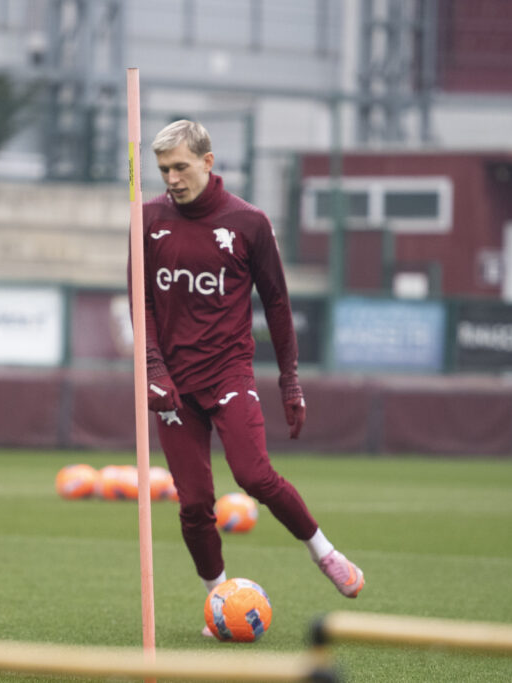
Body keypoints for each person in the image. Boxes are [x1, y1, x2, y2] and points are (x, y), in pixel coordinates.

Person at [133, 120, 364, 633]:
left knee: (253, 475)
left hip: (229, 372)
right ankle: (220, 601)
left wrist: (290, 381)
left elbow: (278, 305)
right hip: (172, 385)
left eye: (181, 167)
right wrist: (151, 366)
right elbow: (141, 301)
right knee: (193, 504)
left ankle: (323, 552)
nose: (171, 178)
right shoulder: (146, 220)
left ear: (208, 162)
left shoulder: (249, 222)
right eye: (164, 169)